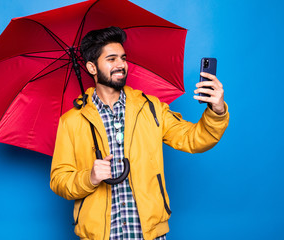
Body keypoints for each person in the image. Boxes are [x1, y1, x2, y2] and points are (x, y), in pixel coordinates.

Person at [50, 26, 229, 240]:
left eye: (123, 58)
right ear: (91, 67)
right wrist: (89, 177)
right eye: (111, 59)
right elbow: (59, 180)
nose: (121, 65)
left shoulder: (151, 108)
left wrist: (216, 110)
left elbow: (194, 139)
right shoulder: (71, 121)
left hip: (148, 233)